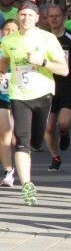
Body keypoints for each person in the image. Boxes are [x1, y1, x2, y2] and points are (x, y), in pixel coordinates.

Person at [0, 1, 70, 204]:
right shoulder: (9, 40)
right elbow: (3, 60)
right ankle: (27, 185)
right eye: (22, 15)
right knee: (21, 141)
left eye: (30, 15)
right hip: (19, 95)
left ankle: (33, 148)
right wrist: (2, 72)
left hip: (43, 94)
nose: (25, 18)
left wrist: (43, 62)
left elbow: (64, 70)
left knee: (36, 141)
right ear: (18, 16)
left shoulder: (47, 39)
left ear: (38, 18)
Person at [43, 5, 71, 171]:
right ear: (47, 19)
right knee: (47, 127)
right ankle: (55, 157)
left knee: (64, 123)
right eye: (51, 16)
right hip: (47, 84)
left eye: (57, 16)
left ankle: (64, 133)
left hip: (68, 85)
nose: (54, 19)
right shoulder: (43, 39)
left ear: (64, 18)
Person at [0, 19, 19, 186]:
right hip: (2, 97)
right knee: (4, 133)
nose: (10, 33)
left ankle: (22, 161)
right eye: (7, 30)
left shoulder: (23, 47)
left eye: (14, 30)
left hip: (22, 95)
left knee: (17, 137)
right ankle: (8, 170)